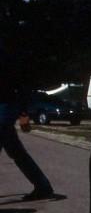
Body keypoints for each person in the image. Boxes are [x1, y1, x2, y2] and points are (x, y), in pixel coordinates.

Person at [0, 40, 55, 200]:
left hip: (6, 106)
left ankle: (43, 186)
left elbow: (20, 83)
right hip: (7, 107)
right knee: (15, 151)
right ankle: (43, 186)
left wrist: (23, 112)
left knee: (14, 150)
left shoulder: (6, 56)